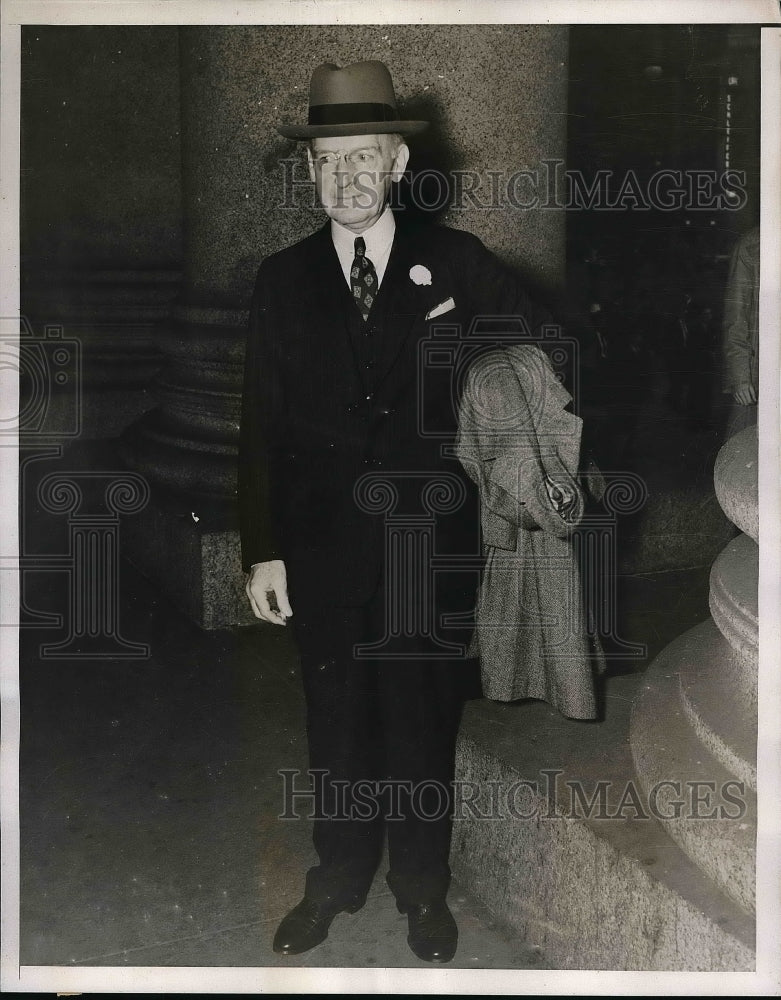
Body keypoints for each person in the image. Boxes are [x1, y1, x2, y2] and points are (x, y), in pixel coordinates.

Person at [238, 60, 550, 963]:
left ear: (399, 163)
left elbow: (543, 359)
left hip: (427, 547)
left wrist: (492, 420)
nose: (346, 177)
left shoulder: (456, 263)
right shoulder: (282, 278)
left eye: (363, 158)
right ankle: (335, 877)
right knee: (333, 724)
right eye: (329, 160)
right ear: (309, 171)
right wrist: (263, 552)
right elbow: (257, 422)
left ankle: (421, 891)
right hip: (320, 547)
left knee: (419, 724)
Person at [721, 226, 759, 436]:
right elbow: (736, 317)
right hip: (757, 376)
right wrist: (741, 377)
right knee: (743, 455)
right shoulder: (752, 245)